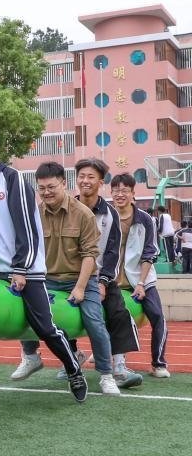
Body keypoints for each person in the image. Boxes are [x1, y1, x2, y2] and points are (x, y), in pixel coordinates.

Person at [0, 127, 88, 402]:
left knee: (44, 328)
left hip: (26, 270)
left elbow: (26, 227)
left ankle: (73, 368)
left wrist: (20, 268)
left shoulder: (12, 179)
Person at [19, 162, 119, 395]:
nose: (46, 192)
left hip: (80, 277)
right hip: (46, 279)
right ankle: (30, 356)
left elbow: (90, 255)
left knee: (94, 321)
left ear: (63, 184)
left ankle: (106, 374)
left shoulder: (83, 214)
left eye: (51, 187)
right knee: (23, 308)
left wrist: (81, 287)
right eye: (41, 188)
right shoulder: (34, 214)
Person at [74, 158, 142, 388]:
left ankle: (119, 366)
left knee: (118, 312)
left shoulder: (110, 214)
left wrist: (103, 282)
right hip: (69, 275)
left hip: (99, 275)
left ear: (100, 182)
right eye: (81, 176)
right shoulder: (68, 208)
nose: (85, 181)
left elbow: (113, 252)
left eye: (91, 177)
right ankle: (72, 359)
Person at [110, 174, 169, 378]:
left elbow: (150, 252)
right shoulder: (106, 217)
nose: (120, 194)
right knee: (104, 316)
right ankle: (107, 354)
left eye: (124, 190)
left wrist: (141, 283)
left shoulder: (145, 219)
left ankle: (158, 363)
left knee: (157, 316)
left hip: (141, 278)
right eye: (116, 190)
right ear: (111, 193)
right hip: (112, 279)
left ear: (133, 193)